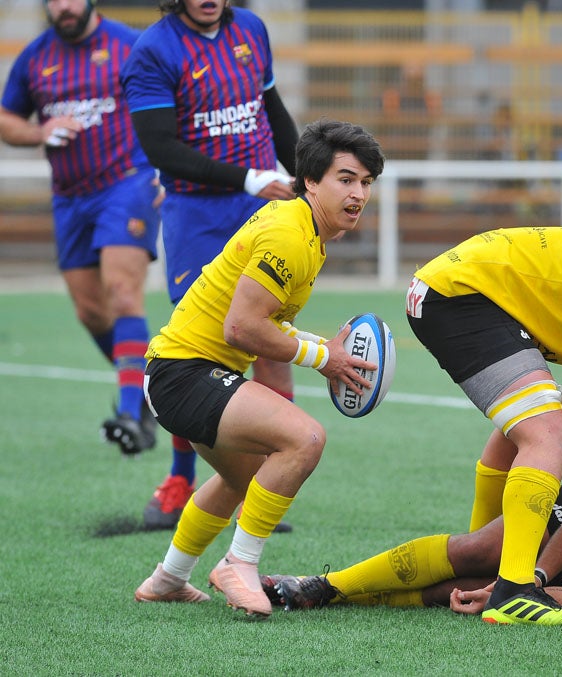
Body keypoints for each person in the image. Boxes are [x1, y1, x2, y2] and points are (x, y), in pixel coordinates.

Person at [132, 119, 385, 619]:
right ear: (310, 180)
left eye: (366, 182)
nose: (358, 194)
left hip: (183, 372)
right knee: (305, 439)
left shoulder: (303, 228)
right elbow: (241, 328)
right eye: (346, 179)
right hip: (183, 374)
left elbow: (263, 321)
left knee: (241, 477)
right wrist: (323, 358)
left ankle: (168, 578)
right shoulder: (290, 235)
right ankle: (238, 564)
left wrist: (321, 347)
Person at [405, 226, 562, 626]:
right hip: (462, 294)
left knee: (539, 421)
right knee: (549, 435)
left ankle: (484, 560)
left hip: (454, 287)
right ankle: (514, 591)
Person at [120, 0, 300, 530]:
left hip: (263, 211)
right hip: (197, 217)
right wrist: (248, 178)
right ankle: (181, 479)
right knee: (197, 353)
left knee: (270, 340)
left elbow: (273, 111)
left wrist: (307, 179)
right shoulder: (153, 50)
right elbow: (162, 149)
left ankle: (262, 486)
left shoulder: (251, 29)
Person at [0, 0, 160, 454]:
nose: (64, 6)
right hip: (69, 197)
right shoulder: (34, 57)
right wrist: (39, 131)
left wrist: (170, 167)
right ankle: (151, 390)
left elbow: (174, 102)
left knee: (122, 292)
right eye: (54, 0)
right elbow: (6, 119)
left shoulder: (129, 45)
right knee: (90, 311)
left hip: (128, 183)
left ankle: (129, 413)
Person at [258, 475, 562, 622]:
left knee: (462, 590)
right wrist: (531, 578)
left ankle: (342, 600)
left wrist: (512, 593)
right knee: (479, 550)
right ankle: (323, 585)